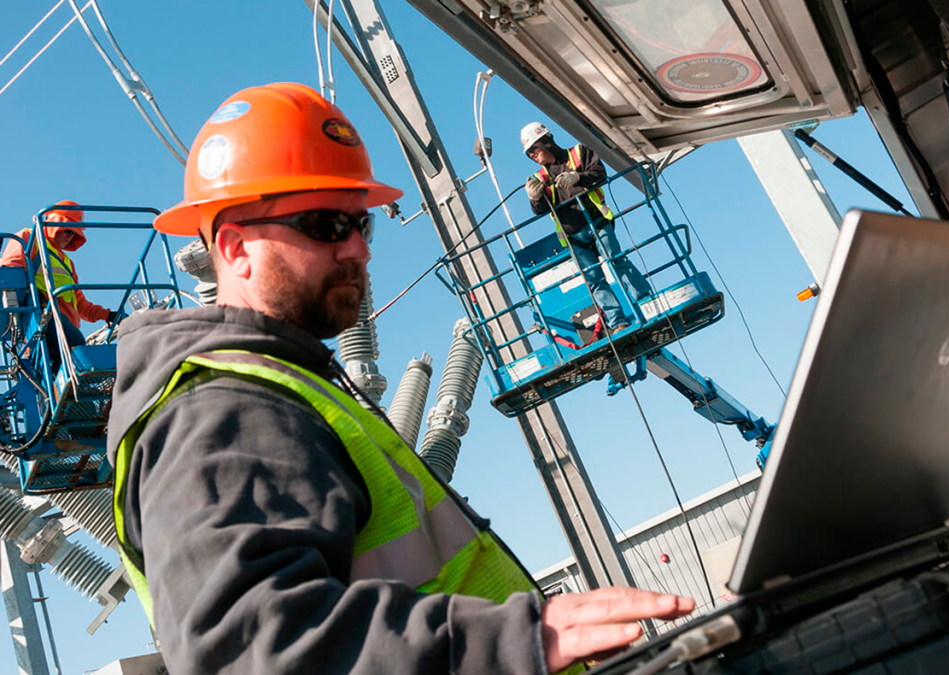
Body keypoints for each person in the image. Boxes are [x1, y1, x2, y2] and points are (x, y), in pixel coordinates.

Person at [107, 82, 693, 675]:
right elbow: (249, 650)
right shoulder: (219, 412)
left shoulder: (285, 390)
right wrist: (505, 645)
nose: (360, 248)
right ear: (234, 249)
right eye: (327, 224)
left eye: (362, 223)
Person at [522, 123, 653, 335]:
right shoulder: (540, 178)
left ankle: (647, 301)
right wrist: (534, 197)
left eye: (533, 150)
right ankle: (618, 322)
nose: (532, 156)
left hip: (597, 222)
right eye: (529, 154)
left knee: (617, 261)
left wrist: (578, 177)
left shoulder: (580, 153)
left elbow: (599, 173)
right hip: (573, 236)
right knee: (594, 280)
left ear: (545, 142)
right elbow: (540, 210)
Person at [0, 200, 117, 370]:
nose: (70, 237)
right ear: (56, 224)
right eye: (68, 231)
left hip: (64, 329)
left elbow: (81, 305)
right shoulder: (29, 238)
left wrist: (107, 315)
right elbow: (11, 273)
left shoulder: (68, 263)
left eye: (74, 234)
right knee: (76, 345)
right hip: (42, 321)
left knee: (77, 349)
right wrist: (30, 299)